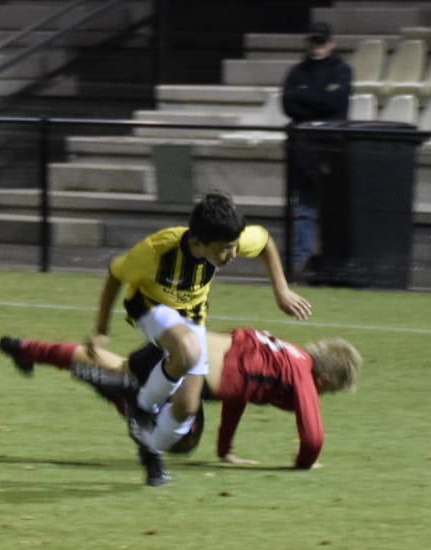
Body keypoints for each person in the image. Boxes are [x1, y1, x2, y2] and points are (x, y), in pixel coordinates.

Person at [87, 190, 311, 459]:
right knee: (187, 349)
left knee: (186, 409)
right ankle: (141, 404)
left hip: (192, 320)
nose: (233, 254)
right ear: (197, 242)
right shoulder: (156, 251)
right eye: (225, 248)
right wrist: (101, 329)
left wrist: (282, 291)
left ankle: (150, 450)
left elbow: (264, 241)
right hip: (148, 308)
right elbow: (115, 274)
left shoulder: (226, 240)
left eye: (234, 245)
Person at [0, 326, 362, 481]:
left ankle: (24, 348)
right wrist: (305, 463)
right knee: (182, 439)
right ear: (323, 381)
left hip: (178, 342)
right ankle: (125, 396)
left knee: (119, 366)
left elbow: (240, 394)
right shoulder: (302, 376)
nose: (320, 397)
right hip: (190, 371)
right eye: (326, 393)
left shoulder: (285, 354)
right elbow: (313, 437)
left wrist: (226, 450)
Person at [281, 20, 354, 276]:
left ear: (331, 43)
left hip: (332, 147)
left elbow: (335, 103)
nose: (317, 47)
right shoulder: (297, 72)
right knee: (305, 207)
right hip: (304, 149)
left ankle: (336, 261)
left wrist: (306, 99)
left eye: (321, 42)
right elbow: (288, 104)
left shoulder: (341, 70)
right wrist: (321, 98)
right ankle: (303, 260)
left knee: (332, 208)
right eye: (313, 41)